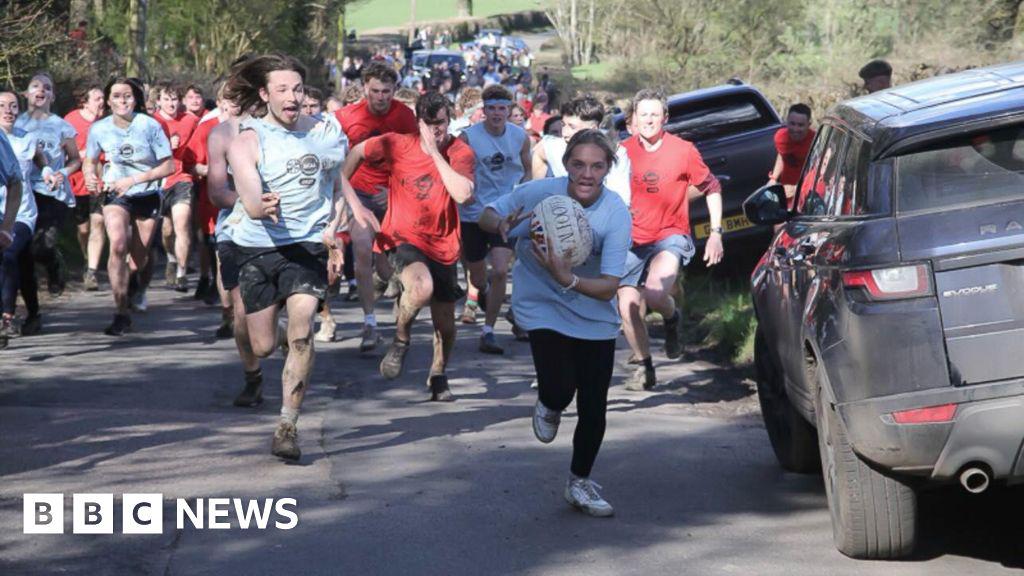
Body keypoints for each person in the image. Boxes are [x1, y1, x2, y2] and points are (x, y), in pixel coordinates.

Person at [479, 129, 632, 517]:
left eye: (597, 166)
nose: (586, 174)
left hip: (593, 310)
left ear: (607, 169)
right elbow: (485, 214)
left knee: (594, 406)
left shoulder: (615, 214)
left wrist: (569, 278)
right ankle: (549, 402)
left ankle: (579, 482)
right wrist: (498, 224)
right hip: (541, 305)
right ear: (566, 165)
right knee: (561, 387)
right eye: (578, 164)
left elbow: (611, 286)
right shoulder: (538, 194)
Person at [225, 53, 348, 461]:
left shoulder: (327, 133)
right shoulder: (247, 140)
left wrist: (334, 233)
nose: (292, 97)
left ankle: (287, 425)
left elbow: (337, 188)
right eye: (282, 89)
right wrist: (262, 205)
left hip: (308, 245)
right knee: (261, 346)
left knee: (301, 329)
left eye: (297, 89)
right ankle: (266, 356)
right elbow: (249, 194)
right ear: (265, 94)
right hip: (258, 244)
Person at [341, 92, 474, 400]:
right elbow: (358, 151)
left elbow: (463, 194)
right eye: (428, 124)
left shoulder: (460, 151)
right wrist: (346, 194)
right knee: (421, 287)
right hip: (402, 236)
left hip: (442, 243)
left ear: (449, 120)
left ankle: (438, 374)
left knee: (446, 325)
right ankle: (401, 340)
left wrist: (436, 153)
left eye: (440, 123)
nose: (435, 130)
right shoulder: (397, 143)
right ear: (418, 123)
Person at [618, 89, 724, 390]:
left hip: (670, 235)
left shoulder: (683, 150)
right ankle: (644, 366)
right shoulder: (622, 152)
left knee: (653, 294)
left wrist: (716, 234)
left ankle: (671, 315)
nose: (649, 120)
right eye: (643, 115)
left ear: (665, 118)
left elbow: (712, 188)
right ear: (634, 119)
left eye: (654, 114)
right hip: (631, 238)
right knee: (627, 305)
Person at [334, 61, 417, 351]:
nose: (381, 97)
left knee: (394, 266)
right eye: (375, 91)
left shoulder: (405, 116)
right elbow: (333, 160)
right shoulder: (345, 117)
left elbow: (413, 160)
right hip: (360, 195)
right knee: (359, 248)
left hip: (395, 196)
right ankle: (369, 323)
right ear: (364, 90)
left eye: (387, 91)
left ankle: (401, 317)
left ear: (395, 90)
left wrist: (395, 191)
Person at [83, 77, 175, 335]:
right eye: (116, 96)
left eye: (127, 96)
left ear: (136, 99)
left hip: (146, 193)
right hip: (115, 193)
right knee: (119, 245)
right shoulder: (99, 128)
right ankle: (120, 311)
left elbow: (169, 166)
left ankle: (136, 284)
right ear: (108, 100)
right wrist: (91, 175)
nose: (122, 101)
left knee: (138, 258)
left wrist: (134, 179)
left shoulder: (149, 125)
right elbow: (90, 160)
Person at [457, 84, 531, 353]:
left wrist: (520, 198)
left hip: (504, 211)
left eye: (502, 108)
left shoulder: (520, 137)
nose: (497, 113)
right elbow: (457, 173)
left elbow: (527, 172)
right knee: (478, 278)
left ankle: (488, 330)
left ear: (510, 110)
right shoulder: (467, 138)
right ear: (483, 111)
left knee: (501, 269)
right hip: (473, 213)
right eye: (492, 108)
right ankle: (483, 291)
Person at [15, 72, 82, 336]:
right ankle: (33, 314)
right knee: (22, 258)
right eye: (35, 86)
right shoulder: (15, 123)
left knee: (42, 247)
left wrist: (62, 173)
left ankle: (54, 264)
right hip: (21, 195)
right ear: (26, 94)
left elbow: (75, 159)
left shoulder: (61, 126)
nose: (41, 90)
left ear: (52, 96)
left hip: (53, 193)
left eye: (47, 87)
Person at [532, 95, 631, 205]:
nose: (564, 133)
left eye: (572, 127)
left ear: (593, 129)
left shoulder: (616, 154)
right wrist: (537, 191)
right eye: (563, 125)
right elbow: (540, 152)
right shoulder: (555, 145)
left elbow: (621, 200)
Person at [153, 82, 200, 294]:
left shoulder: (190, 120)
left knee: (182, 224)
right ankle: (171, 259)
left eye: (174, 99)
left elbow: (203, 140)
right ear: (158, 101)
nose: (171, 103)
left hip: (183, 178)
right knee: (167, 230)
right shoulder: (151, 122)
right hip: (160, 180)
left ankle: (181, 273)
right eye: (166, 99)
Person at [0, 94, 37, 346]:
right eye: (1, 106)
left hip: (19, 213)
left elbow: (16, 182)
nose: (8, 111)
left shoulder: (23, 138)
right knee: (21, 263)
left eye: (12, 106)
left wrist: (6, 227)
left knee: (10, 255)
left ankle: (5, 317)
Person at [64, 83, 107, 291]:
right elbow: (62, 152)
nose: (102, 103)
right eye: (97, 99)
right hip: (77, 183)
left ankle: (92, 271)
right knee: (83, 229)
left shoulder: (108, 122)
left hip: (100, 183)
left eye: (102, 98)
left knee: (98, 223)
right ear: (85, 102)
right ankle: (86, 258)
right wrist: (81, 156)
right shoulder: (71, 120)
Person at [767, 103, 815, 207]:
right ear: (787, 122)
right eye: (792, 124)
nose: (795, 129)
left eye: (800, 125)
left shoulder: (815, 142)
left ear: (809, 124)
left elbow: (818, 172)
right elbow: (782, 154)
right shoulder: (780, 137)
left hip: (809, 195)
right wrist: (774, 178)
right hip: (786, 193)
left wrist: (798, 188)